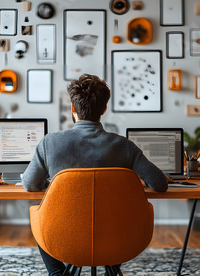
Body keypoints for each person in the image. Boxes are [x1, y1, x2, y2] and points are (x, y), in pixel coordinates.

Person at [22, 73, 169, 275]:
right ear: (104, 109)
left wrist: (55, 184)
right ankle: (111, 264)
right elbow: (160, 184)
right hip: (115, 238)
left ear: (73, 108)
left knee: (41, 215)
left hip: (62, 237)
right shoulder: (124, 146)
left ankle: (57, 273)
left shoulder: (50, 143)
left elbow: (30, 184)